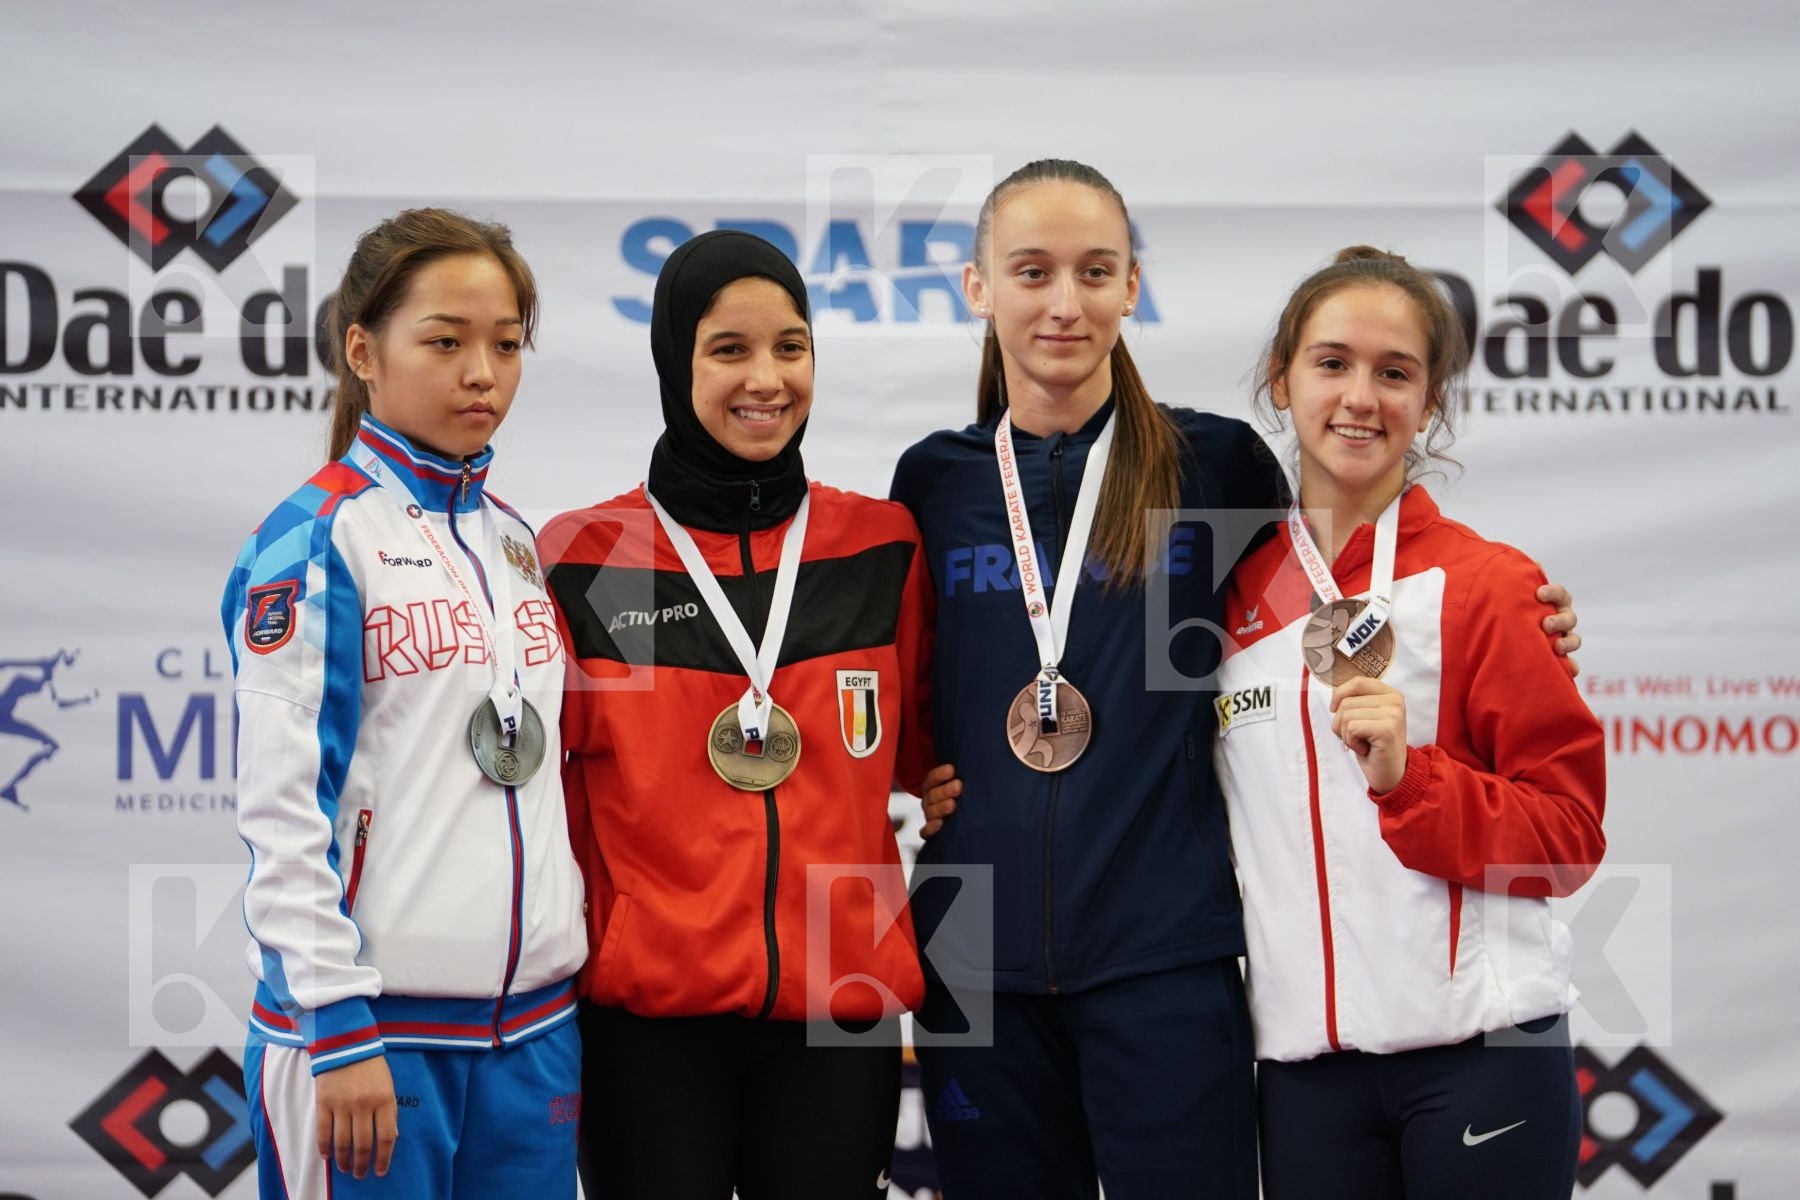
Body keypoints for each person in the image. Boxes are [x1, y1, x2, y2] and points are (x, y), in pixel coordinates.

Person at [897, 160, 1582, 1199]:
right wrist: (915, 770)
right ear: (978, 287)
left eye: (1096, 271)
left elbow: (1338, 578)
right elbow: (892, 669)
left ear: (1134, 285)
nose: (1064, 302)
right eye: (1031, 271)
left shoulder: (1212, 468)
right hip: (969, 951)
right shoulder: (932, 481)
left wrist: (1528, 612)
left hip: (1163, 955)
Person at [540, 229, 935, 1199]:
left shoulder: (881, 547)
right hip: (649, 1022)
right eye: (729, 350)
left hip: (840, 1017)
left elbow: (922, 762)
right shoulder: (592, 557)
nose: (766, 378)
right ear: (677, 363)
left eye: (791, 347)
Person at [1216, 246, 1605, 1198]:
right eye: (1333, 362)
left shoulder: (1488, 583)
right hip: (1303, 1073)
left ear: (1428, 403)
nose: (1361, 397)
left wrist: (1413, 781)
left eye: (1395, 374)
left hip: (1479, 1053)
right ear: (1282, 377)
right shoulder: (1221, 597)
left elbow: (1568, 841)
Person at [224, 209, 586, 1200]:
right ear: (362, 350)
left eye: (507, 344)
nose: (484, 372)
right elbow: (282, 813)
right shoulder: (315, 543)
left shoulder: (516, 543)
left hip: (535, 1036)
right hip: (375, 1037)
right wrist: (335, 1028)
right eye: (446, 341)